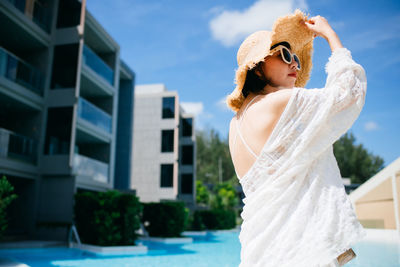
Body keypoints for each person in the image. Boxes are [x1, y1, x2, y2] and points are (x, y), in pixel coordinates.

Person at [226, 9, 367, 267]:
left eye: (295, 58)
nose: (294, 63)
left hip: (259, 252)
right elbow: (348, 94)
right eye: (284, 54)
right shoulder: (277, 102)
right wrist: (330, 36)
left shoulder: (235, 125)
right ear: (257, 68)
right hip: (297, 251)